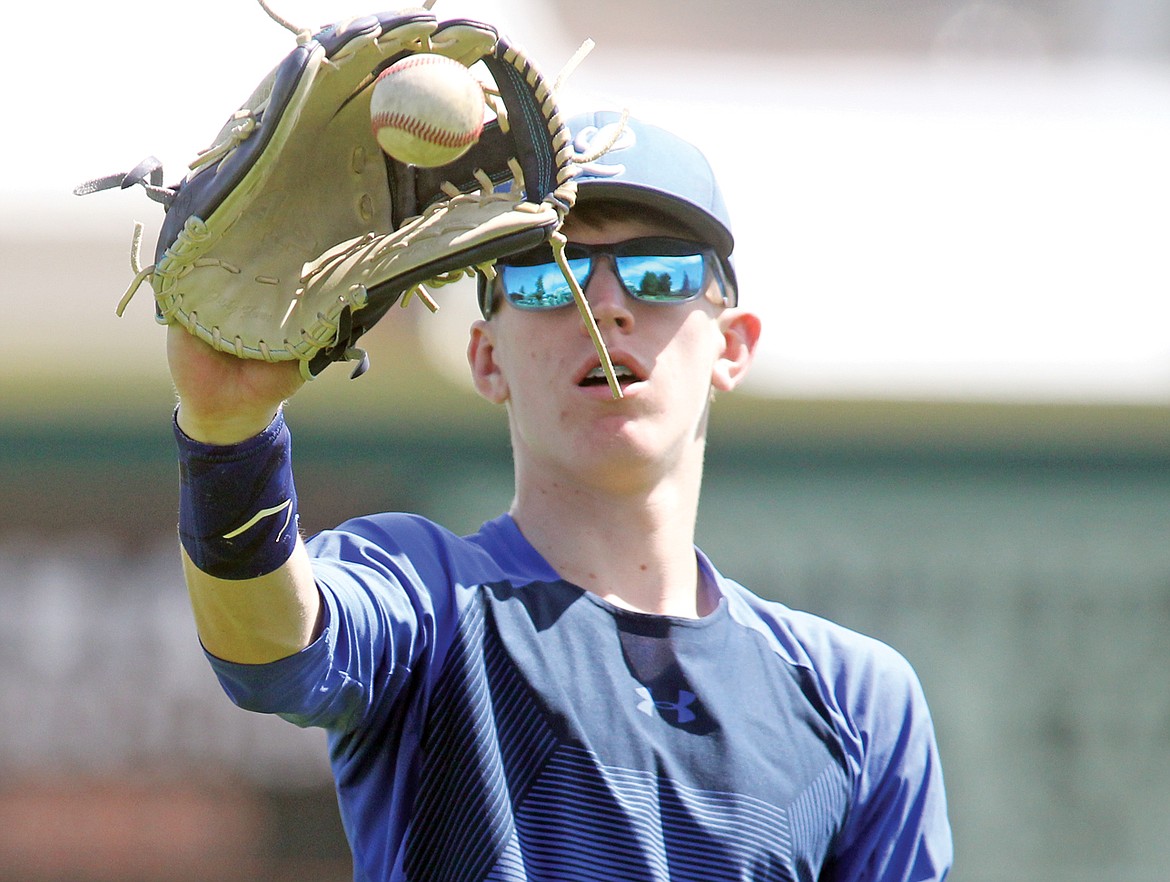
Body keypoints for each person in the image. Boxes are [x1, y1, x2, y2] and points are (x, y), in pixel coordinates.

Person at [169, 109, 953, 881]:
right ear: (486, 358)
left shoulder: (856, 701)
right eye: (549, 273)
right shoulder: (432, 600)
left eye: (659, 271)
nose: (602, 305)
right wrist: (227, 431)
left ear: (733, 345)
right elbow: (269, 648)